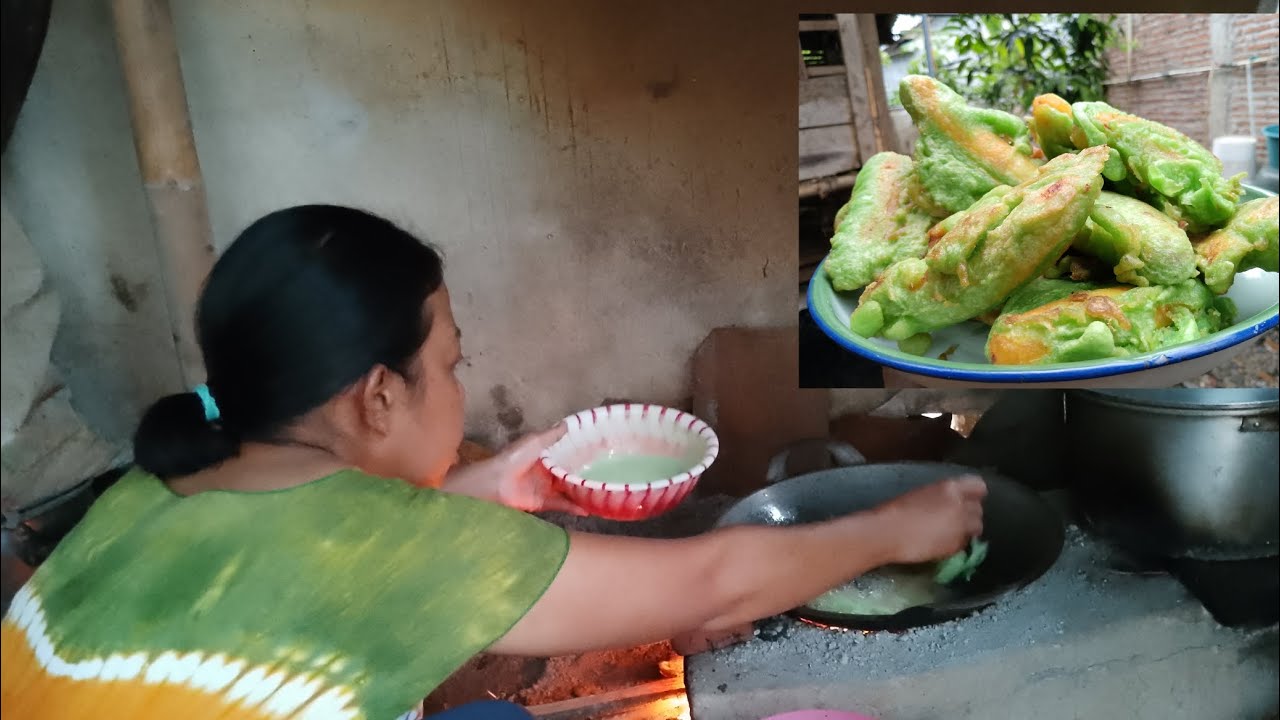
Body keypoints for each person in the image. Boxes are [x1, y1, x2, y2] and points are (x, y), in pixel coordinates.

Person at [0, 205, 986, 720]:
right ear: (377, 396)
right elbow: (711, 580)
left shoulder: (154, 482)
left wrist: (476, 488)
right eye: (450, 364)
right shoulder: (399, 557)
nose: (460, 389)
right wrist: (899, 526)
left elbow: (320, 561)